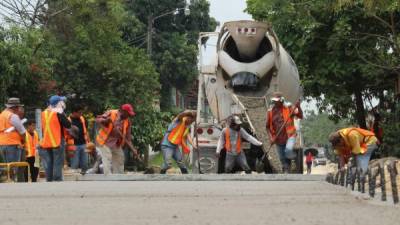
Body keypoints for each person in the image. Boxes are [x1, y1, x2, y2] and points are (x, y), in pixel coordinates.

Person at [266, 91, 303, 173]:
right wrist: (271, 138)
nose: (275, 102)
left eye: (277, 101)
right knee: (282, 159)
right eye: (274, 101)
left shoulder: (289, 107)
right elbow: (267, 127)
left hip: (290, 135)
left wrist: (299, 107)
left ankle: (293, 158)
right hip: (278, 138)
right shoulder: (270, 111)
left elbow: (300, 116)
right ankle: (287, 171)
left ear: (282, 100)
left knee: (288, 150)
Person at [95, 104, 136, 175]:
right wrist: (106, 120)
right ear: (123, 111)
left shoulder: (127, 121)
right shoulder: (111, 113)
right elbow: (98, 120)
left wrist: (133, 149)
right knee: (107, 157)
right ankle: (108, 177)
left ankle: (119, 176)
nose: (129, 115)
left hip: (116, 143)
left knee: (120, 157)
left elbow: (128, 138)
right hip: (104, 141)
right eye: (128, 113)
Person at [39, 95, 71, 182]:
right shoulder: (58, 113)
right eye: (62, 102)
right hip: (57, 140)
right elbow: (68, 124)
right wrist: (63, 112)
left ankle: (49, 179)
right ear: (59, 103)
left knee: (49, 162)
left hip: (47, 141)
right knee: (57, 161)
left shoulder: (43, 113)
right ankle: (57, 179)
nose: (63, 103)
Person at [160, 110, 197, 174]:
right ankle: (160, 175)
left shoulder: (186, 126)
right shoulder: (178, 120)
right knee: (168, 164)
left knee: (181, 162)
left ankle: (186, 177)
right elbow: (182, 114)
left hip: (175, 146)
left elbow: (188, 137)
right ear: (187, 117)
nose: (191, 122)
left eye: (192, 121)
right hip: (167, 145)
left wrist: (194, 145)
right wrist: (190, 112)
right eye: (191, 120)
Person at [0, 97, 26, 181]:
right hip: (13, 144)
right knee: (14, 167)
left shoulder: (2, 115)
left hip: (2, 144)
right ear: (14, 107)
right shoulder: (13, 116)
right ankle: (13, 182)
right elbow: (22, 132)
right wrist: (23, 141)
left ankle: (9, 181)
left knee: (7, 165)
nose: (18, 109)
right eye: (18, 107)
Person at [67, 104, 90, 173]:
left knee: (85, 164)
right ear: (74, 112)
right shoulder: (68, 120)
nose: (81, 114)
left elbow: (86, 131)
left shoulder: (82, 119)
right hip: (73, 146)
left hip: (83, 144)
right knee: (74, 165)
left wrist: (88, 142)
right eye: (79, 112)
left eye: (81, 112)